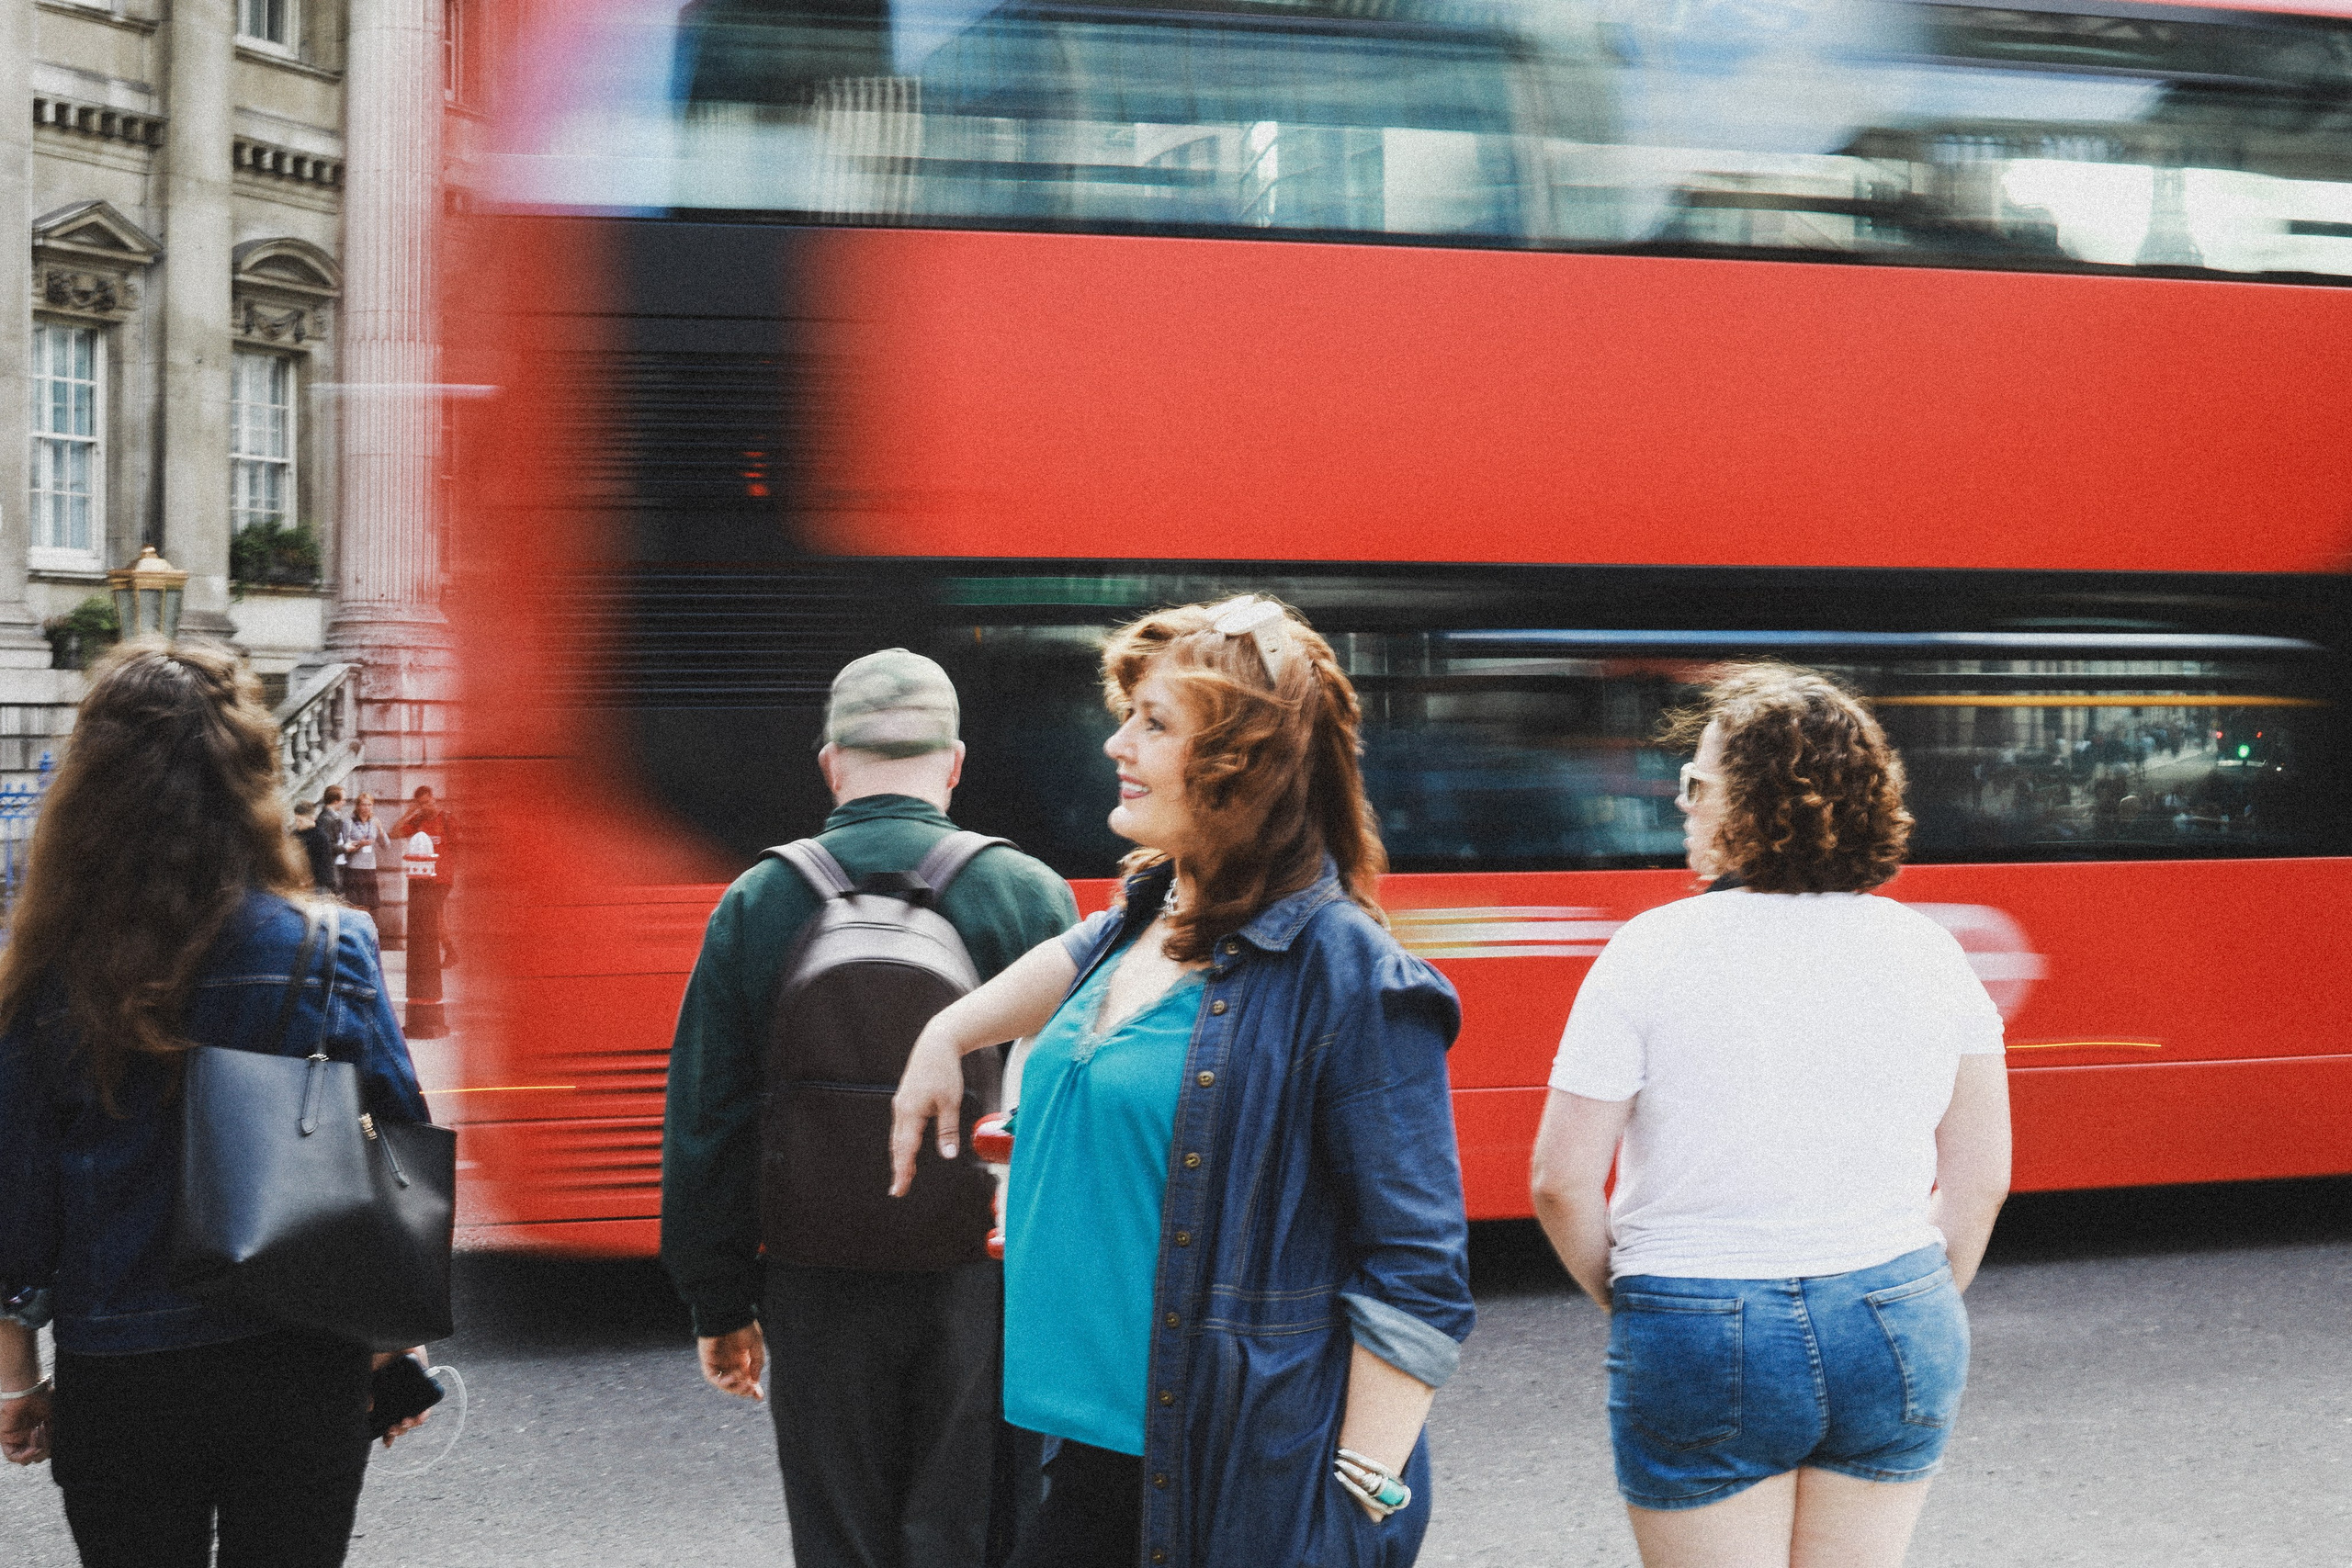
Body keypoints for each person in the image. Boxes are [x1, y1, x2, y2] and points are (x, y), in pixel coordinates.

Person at [890, 597, 1475, 1568]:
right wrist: (944, 1034)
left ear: (1240, 766)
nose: (1118, 742)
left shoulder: (1350, 978)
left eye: (1154, 724)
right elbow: (1067, 959)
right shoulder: (1154, 908)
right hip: (1079, 1446)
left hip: (1220, 1477)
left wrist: (1358, 1507)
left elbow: (1419, 1272)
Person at [1529, 663, 2012, 1568]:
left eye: (1697, 784)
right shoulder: (1929, 950)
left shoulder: (1647, 952)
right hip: (1896, 1306)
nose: (1681, 804)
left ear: (1748, 806)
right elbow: (1981, 1180)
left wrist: (1639, 1304)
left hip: (1696, 1320)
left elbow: (1559, 1182)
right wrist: (1904, 1302)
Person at [0, 640, 436, 1568]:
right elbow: (396, 1150)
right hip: (297, 1352)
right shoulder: (330, 949)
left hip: (120, 1368)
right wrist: (389, 1347)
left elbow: (16, 1207)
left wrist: (16, 1381)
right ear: (249, 779)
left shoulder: (48, 975)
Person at [662, 648, 1079, 1568]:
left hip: (815, 1279)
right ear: (955, 762)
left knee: (840, 1532)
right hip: (981, 1278)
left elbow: (706, 1119)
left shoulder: (758, 900)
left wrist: (718, 1301)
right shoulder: (1030, 895)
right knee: (973, 1525)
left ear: (830, 762)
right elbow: (1072, 1113)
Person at [339, 794, 391, 921]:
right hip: (354, 868)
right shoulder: (349, 822)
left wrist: (380, 830)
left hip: (369, 868)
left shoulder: (374, 822)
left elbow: (386, 845)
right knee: (355, 905)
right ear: (357, 806)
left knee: (368, 906)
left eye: (369, 805)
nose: (367, 808)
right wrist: (359, 844)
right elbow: (343, 848)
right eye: (363, 804)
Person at [291, 799, 339, 894]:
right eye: (296, 820)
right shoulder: (295, 834)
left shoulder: (320, 836)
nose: (297, 824)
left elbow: (323, 865)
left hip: (317, 885)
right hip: (299, 883)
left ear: (312, 818)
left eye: (300, 821)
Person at [318, 786, 349, 893]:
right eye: (343, 800)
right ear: (336, 801)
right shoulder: (325, 819)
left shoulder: (332, 817)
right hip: (331, 867)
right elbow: (326, 846)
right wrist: (345, 848)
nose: (344, 803)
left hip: (337, 865)